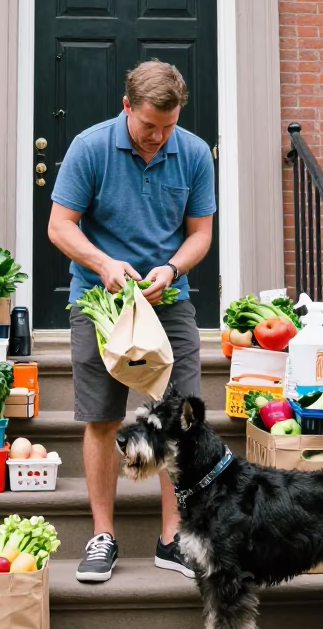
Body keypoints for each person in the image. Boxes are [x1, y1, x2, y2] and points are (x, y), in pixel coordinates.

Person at [47, 60, 216, 583]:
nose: (159, 137)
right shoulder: (90, 147)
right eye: (149, 127)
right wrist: (103, 264)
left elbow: (200, 234)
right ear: (127, 107)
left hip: (169, 301)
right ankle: (103, 537)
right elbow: (59, 226)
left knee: (179, 420)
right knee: (101, 419)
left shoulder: (190, 152)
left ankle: (173, 539)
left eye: (168, 126)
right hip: (100, 302)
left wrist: (172, 267)